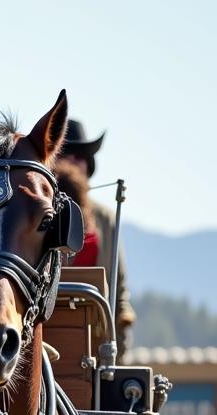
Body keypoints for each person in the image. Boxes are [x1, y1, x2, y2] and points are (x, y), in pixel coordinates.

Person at [59, 119, 136, 352]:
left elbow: (118, 288)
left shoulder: (105, 219)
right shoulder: (32, 215)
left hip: (94, 338)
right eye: (67, 154)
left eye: (80, 156)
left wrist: (118, 344)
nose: (74, 162)